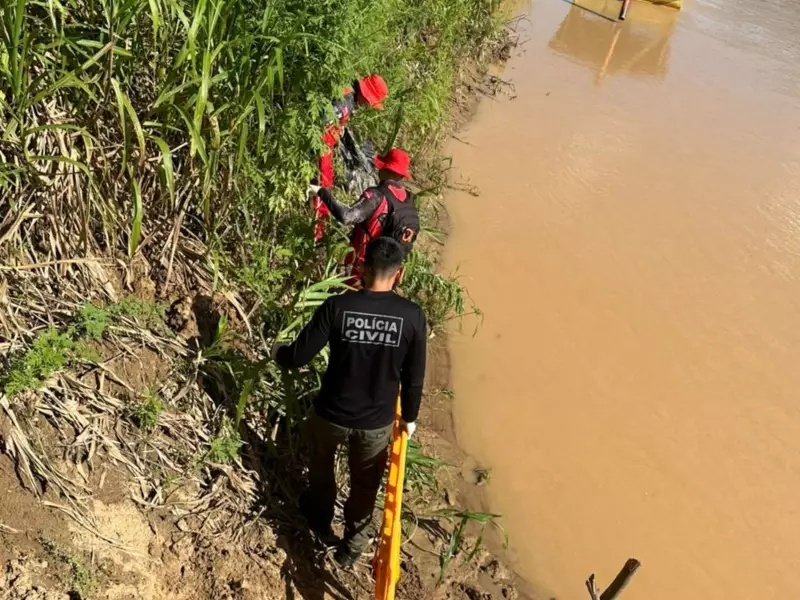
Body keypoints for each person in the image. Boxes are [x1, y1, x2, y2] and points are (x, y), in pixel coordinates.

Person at [271, 237, 427, 567]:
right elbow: (414, 378)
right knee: (365, 485)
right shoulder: (412, 316)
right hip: (375, 424)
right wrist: (409, 418)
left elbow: (298, 356)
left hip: (330, 414)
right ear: (399, 274)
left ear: (363, 267)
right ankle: (351, 547)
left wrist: (278, 352)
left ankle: (318, 517)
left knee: (321, 468)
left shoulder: (338, 307)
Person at [315, 148, 419, 284]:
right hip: (387, 274)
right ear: (401, 176)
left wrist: (321, 192)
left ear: (385, 169)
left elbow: (346, 216)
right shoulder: (409, 200)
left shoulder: (376, 196)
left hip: (362, 268)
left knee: (352, 295)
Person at [314, 74, 389, 240]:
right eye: (369, 101)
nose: (367, 105)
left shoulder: (348, 93)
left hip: (325, 147)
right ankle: (317, 231)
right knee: (323, 186)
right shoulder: (345, 103)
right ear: (366, 95)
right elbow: (319, 126)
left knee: (325, 183)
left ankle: (320, 227)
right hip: (321, 149)